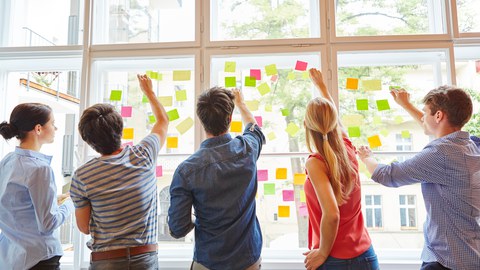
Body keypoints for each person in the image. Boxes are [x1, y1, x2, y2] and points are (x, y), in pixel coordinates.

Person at [357, 86, 480, 270]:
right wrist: (406, 105)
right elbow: (436, 129)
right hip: (470, 253)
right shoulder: (471, 145)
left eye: (425, 113)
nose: (422, 117)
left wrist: (367, 157)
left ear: (438, 116)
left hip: (447, 261)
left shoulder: (440, 153)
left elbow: (387, 175)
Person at [70, 75, 168, 270]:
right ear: (120, 129)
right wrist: (149, 92)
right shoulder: (144, 154)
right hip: (144, 257)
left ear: (89, 141)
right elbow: (163, 121)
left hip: (105, 260)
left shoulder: (82, 176)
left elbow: (83, 227)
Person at [168, 87, 265, 270]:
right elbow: (254, 128)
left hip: (209, 262)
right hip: (248, 260)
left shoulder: (186, 170)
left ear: (201, 120)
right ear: (229, 119)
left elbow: (177, 228)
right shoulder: (247, 149)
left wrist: (202, 220)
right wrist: (241, 104)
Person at [302, 68, 378, 270]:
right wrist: (322, 87)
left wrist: (322, 253)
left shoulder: (315, 163)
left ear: (306, 125)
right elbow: (334, 116)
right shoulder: (347, 148)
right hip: (366, 255)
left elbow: (332, 214)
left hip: (333, 260)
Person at [0, 103, 74, 270]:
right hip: (40, 259)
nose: (56, 128)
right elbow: (49, 222)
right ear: (38, 129)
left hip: (12, 259)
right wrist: (72, 202)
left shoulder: (7, 162)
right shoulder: (40, 169)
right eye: (52, 123)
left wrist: (54, 201)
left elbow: (17, 206)